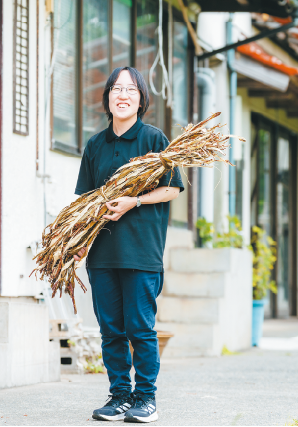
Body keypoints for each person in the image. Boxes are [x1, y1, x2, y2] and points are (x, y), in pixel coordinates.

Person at [73, 66, 183, 423]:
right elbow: (86, 201)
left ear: (141, 99)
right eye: (116, 89)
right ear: (107, 97)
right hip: (102, 254)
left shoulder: (153, 140)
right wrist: (77, 239)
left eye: (131, 90)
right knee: (111, 330)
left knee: (140, 328)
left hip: (141, 252)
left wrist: (133, 202)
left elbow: (172, 189)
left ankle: (145, 398)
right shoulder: (95, 145)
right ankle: (119, 395)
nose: (123, 95)